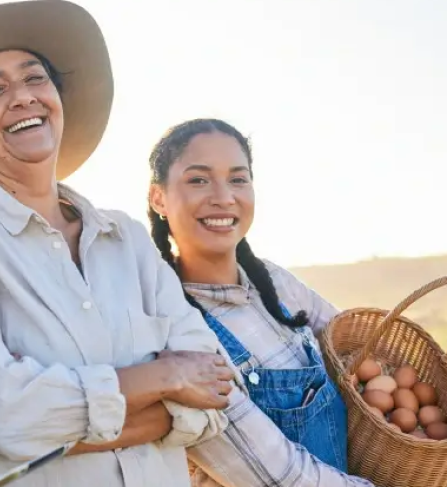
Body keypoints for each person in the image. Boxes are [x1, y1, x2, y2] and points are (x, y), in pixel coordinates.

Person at [0, 2, 240, 487]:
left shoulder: (128, 239)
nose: (22, 98)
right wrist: (166, 378)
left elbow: (219, 390)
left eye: (36, 79)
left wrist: (44, 432)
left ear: (58, 99)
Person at [147, 118, 375, 486]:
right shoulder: (176, 330)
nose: (224, 196)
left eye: (238, 179)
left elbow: (362, 343)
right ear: (158, 197)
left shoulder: (275, 283)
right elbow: (283, 478)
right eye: (198, 180)